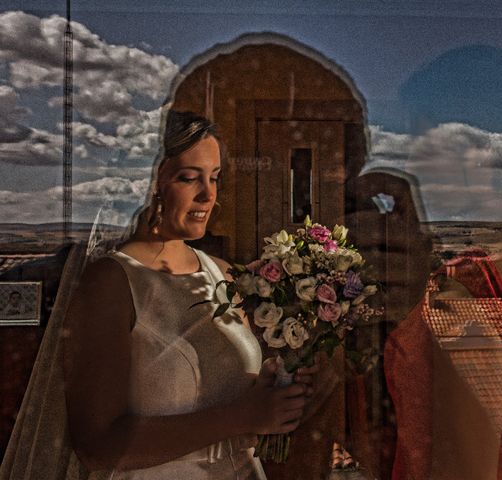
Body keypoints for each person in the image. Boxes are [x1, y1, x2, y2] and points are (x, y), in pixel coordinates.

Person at [62, 110, 317, 479]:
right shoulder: (112, 282)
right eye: (188, 178)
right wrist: (244, 415)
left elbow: (232, 398)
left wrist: (273, 390)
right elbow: (97, 446)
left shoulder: (222, 273)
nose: (207, 195)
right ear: (153, 182)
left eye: (214, 178)